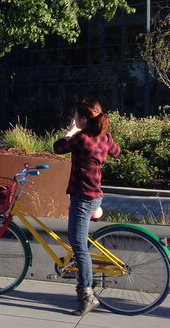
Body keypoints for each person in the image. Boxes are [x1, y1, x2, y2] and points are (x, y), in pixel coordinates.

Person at [53, 98, 121, 316]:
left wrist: (70, 132)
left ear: (82, 120)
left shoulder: (81, 139)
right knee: (81, 239)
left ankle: (87, 295)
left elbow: (58, 147)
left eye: (75, 118)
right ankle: (97, 213)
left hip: (82, 199)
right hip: (95, 196)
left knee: (78, 246)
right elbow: (116, 152)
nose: (72, 120)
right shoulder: (105, 138)